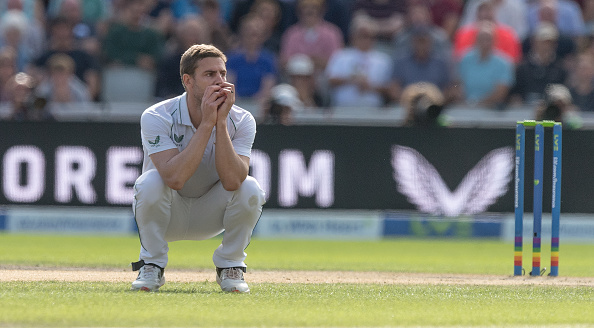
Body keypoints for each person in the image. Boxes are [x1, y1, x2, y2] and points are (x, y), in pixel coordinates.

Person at [130, 44, 266, 293]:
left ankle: (230, 266)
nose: (220, 81)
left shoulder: (242, 119)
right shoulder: (157, 116)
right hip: (168, 213)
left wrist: (221, 122)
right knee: (149, 182)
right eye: (210, 74)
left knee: (251, 187)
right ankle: (151, 265)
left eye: (223, 74)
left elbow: (234, 182)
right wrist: (206, 124)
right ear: (188, 81)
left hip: (211, 216)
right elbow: (174, 178)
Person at [325, 17, 392, 107]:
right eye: (361, 35)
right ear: (353, 36)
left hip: (373, 111)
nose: (365, 40)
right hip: (342, 110)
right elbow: (330, 81)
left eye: (368, 36)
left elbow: (390, 89)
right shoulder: (340, 56)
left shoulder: (383, 60)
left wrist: (370, 87)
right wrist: (351, 80)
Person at [457, 21, 514, 108]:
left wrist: (479, 104)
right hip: (465, 106)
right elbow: (458, 84)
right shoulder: (465, 59)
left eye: (488, 39)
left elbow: (501, 91)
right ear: (475, 40)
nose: (485, 43)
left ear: (495, 41)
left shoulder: (503, 62)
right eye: (481, 39)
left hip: (491, 109)